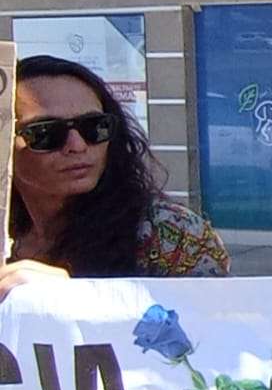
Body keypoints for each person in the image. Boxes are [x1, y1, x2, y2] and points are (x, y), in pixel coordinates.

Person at [1, 55, 228, 302]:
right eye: (46, 132)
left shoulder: (171, 235)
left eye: (94, 127)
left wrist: (73, 300)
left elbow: (212, 319)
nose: (77, 146)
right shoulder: (10, 231)